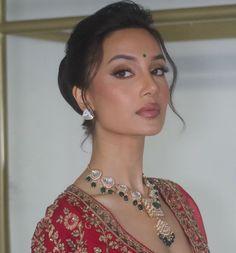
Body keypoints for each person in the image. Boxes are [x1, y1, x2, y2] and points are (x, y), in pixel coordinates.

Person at [31, 1, 210, 252]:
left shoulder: (178, 200)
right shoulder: (67, 226)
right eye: (123, 72)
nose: (151, 86)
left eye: (157, 70)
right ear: (84, 97)